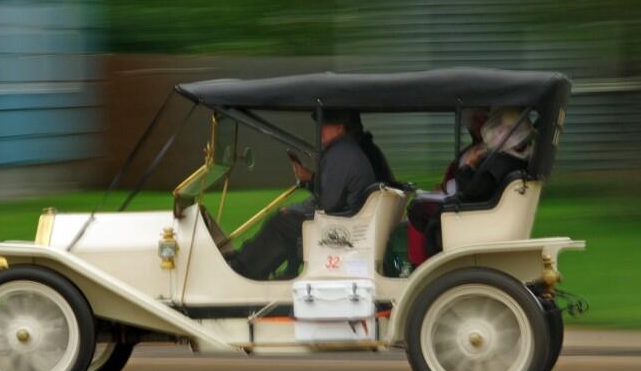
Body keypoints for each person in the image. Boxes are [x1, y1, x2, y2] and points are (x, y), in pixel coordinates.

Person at [228, 109, 376, 280]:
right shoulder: (346, 151)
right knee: (286, 218)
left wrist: (298, 212)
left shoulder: (341, 153)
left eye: (325, 125)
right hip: (346, 220)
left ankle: (244, 270)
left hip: (340, 226)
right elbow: (331, 196)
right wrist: (309, 182)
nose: (320, 129)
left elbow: (329, 204)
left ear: (340, 128)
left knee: (280, 223)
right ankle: (259, 264)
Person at [407, 107, 534, 261]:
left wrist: (469, 164)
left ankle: (419, 265)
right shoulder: (513, 159)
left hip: (474, 216)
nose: (497, 132)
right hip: (482, 212)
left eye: (502, 129)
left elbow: (468, 190)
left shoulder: (501, 162)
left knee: (416, 209)